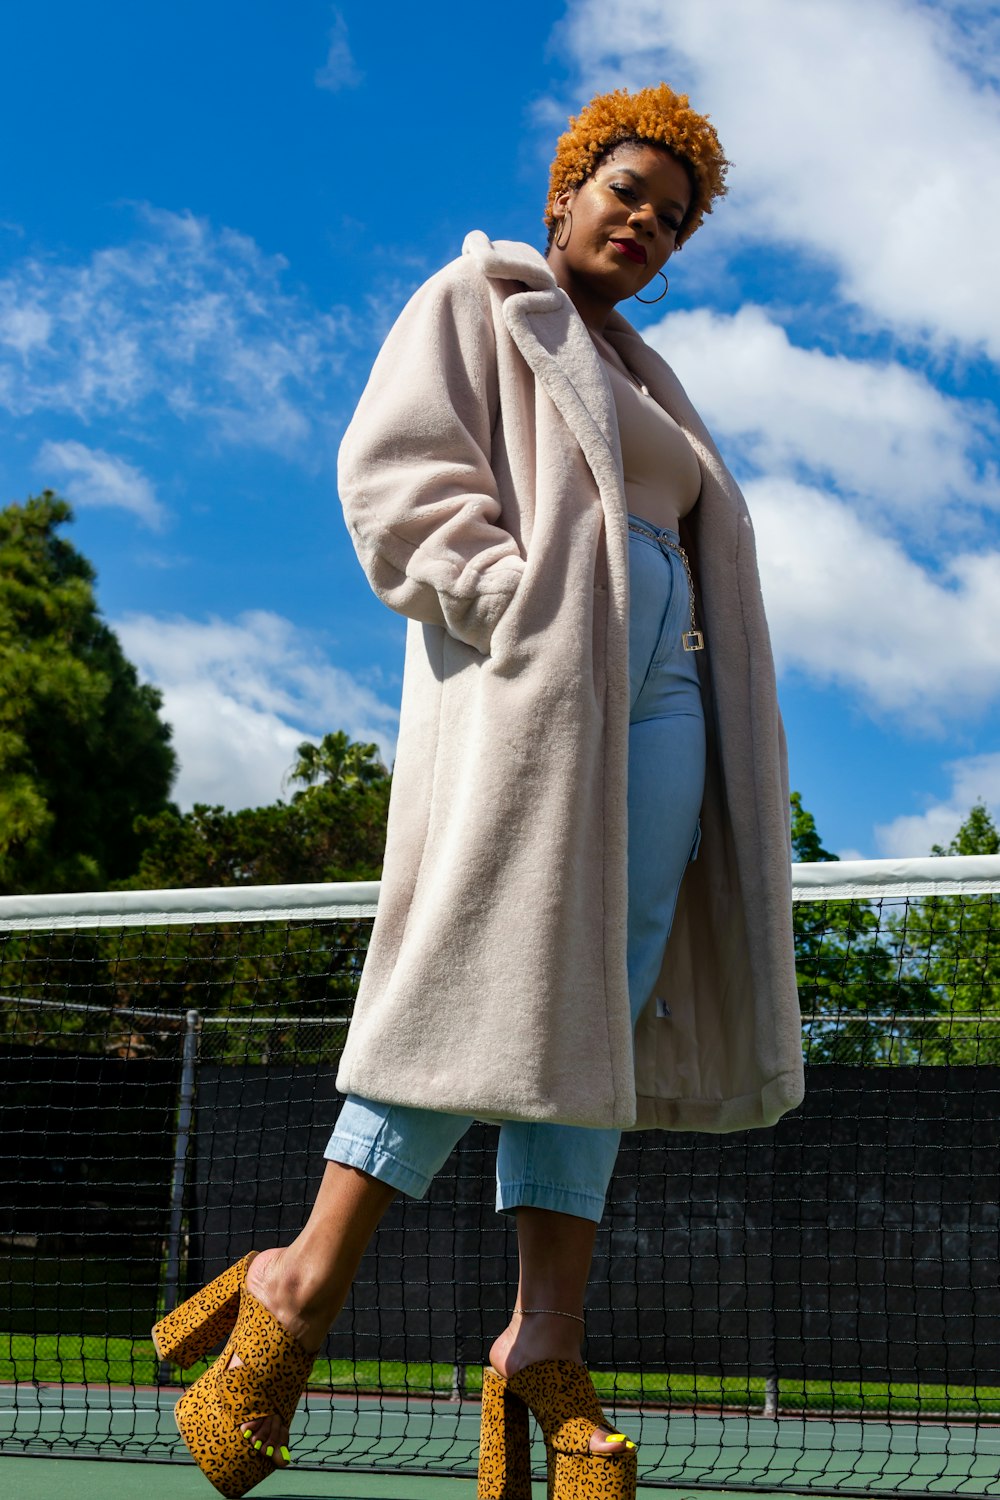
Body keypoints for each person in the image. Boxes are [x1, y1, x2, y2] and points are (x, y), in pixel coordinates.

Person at [152, 83, 804, 1500]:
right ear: (569, 183)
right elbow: (395, 475)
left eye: (674, 219)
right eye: (628, 189)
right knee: (477, 974)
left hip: (669, 700)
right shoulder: (477, 296)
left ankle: (542, 1344)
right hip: (534, 685)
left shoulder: (649, 382)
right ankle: (296, 1286)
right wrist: (506, 603)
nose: (647, 224)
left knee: (605, 1004)